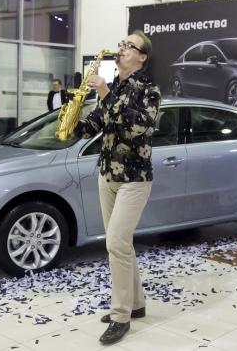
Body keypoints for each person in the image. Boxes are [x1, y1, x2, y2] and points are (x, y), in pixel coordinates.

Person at [74, 30, 160, 345]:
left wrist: (105, 93)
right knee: (122, 245)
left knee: (116, 243)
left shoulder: (149, 90)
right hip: (107, 176)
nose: (121, 48)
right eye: (121, 44)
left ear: (142, 57)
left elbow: (137, 127)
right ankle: (136, 304)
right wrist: (72, 117)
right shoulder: (115, 88)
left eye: (129, 46)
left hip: (134, 179)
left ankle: (121, 316)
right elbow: (94, 126)